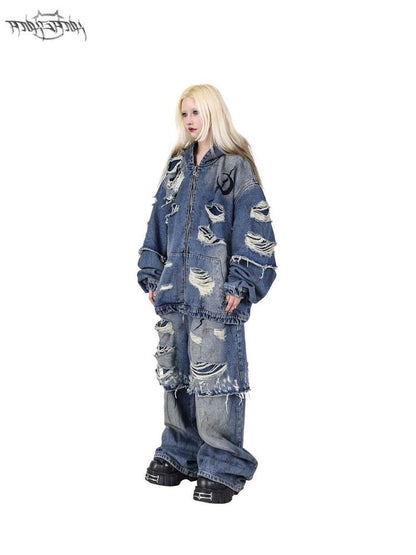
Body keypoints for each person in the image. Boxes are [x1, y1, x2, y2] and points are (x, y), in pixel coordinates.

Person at [137, 84, 277, 503]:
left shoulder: (234, 168)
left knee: (215, 377)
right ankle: (180, 452)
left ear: (213, 112)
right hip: (174, 291)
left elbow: (254, 226)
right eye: (184, 114)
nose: (189, 121)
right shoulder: (176, 167)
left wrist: (242, 282)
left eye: (196, 112)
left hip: (217, 296)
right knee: (177, 373)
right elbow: (158, 221)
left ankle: (222, 462)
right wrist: (152, 273)